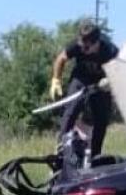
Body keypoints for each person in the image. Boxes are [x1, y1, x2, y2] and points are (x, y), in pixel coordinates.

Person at [50, 21, 119, 157]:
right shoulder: (77, 45)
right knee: (71, 110)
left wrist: (112, 81)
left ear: (96, 43)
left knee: (101, 118)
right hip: (81, 78)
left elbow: (121, 67)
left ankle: (95, 156)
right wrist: (56, 80)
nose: (83, 49)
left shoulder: (109, 50)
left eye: (86, 47)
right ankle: (60, 152)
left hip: (101, 82)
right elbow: (61, 59)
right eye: (81, 45)